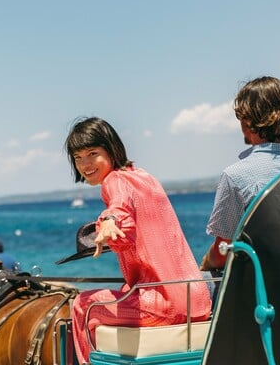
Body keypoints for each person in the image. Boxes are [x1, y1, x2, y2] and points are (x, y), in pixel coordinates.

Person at [64, 116, 211, 365]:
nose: (85, 164)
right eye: (78, 158)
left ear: (111, 150)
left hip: (163, 303)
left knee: (81, 304)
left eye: (92, 153)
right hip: (196, 297)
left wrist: (108, 222)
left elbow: (120, 209)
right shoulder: (143, 176)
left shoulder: (113, 181)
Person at [200, 76, 280, 273]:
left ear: (247, 119)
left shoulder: (236, 176)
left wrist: (204, 265)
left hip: (263, 290)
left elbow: (222, 253)